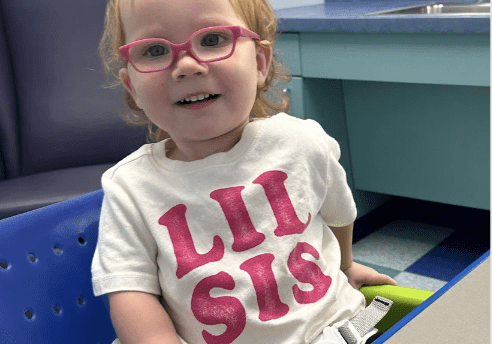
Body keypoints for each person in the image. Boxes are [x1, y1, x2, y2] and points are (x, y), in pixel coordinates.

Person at [91, 0, 397, 343]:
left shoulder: (302, 143)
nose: (187, 66)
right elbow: (130, 290)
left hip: (332, 331)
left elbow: (339, 214)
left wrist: (344, 267)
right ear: (132, 87)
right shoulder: (131, 187)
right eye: (155, 50)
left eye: (212, 40)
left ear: (259, 63)